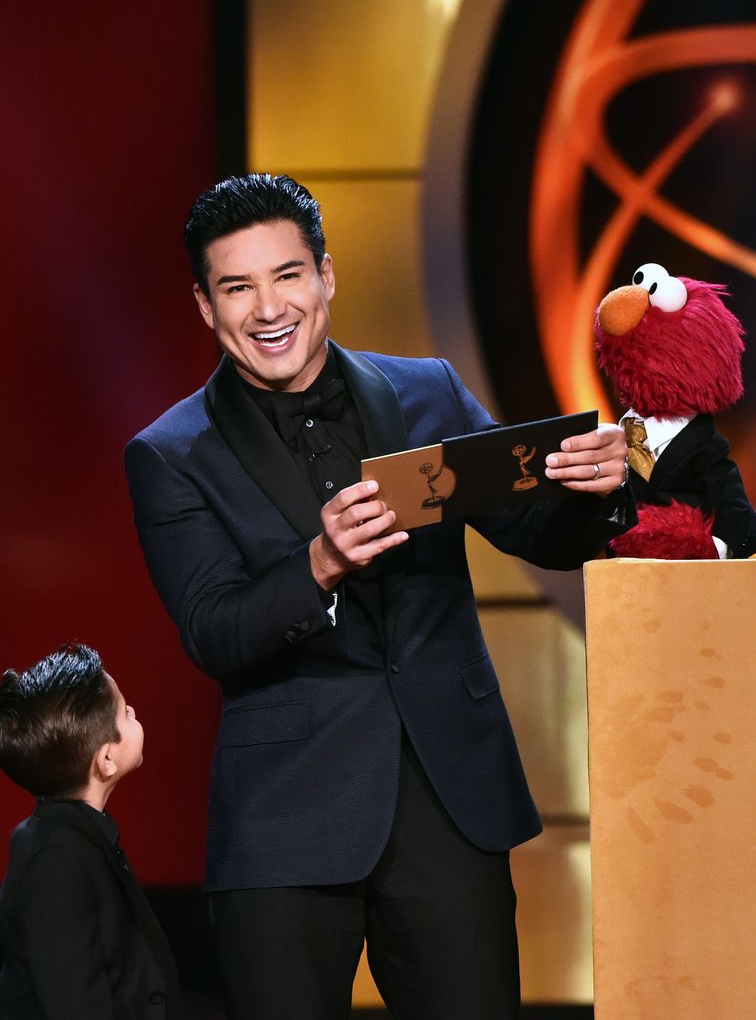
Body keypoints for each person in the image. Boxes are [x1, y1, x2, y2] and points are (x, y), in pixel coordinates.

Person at [124, 172, 634, 1020]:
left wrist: (597, 491)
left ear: (325, 276)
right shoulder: (172, 453)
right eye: (237, 287)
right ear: (206, 307)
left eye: (286, 275)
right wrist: (318, 562)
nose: (267, 307)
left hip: (449, 797)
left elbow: (538, 537)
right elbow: (213, 629)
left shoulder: (427, 390)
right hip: (286, 817)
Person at [0, 642, 180, 1019]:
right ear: (106, 760)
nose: (132, 711)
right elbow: (75, 1001)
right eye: (124, 712)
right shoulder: (55, 862)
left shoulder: (78, 839)